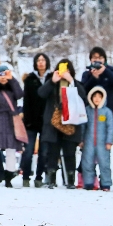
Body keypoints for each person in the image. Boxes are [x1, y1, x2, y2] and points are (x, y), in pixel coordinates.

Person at [38, 58, 86, 189]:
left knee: (70, 152)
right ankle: (51, 180)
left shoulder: (75, 83)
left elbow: (84, 97)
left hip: (70, 121)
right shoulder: (52, 83)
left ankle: (70, 181)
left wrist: (71, 81)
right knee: (52, 152)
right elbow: (41, 94)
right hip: (54, 123)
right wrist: (52, 81)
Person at [21, 53, 50, 187]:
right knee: (28, 151)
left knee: (44, 152)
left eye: (43, 60)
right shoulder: (30, 79)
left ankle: (39, 177)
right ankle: (26, 177)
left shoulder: (52, 78)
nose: (41, 63)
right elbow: (26, 101)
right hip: (31, 121)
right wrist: (26, 120)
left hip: (46, 121)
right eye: (38, 60)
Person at [81, 86, 113, 191]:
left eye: (100, 96)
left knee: (104, 163)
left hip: (103, 143)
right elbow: (82, 126)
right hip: (88, 142)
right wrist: (81, 140)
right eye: (94, 96)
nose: (97, 99)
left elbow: (110, 127)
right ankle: (89, 183)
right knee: (87, 162)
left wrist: (109, 141)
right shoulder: (87, 110)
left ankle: (105, 184)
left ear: (103, 98)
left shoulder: (107, 112)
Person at [79, 47, 113, 118]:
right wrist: (94, 78)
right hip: (90, 112)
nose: (97, 60)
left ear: (104, 59)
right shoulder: (87, 74)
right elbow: (83, 91)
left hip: (108, 112)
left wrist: (105, 71)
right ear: (91, 60)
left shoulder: (111, 70)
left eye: (100, 58)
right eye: (95, 58)